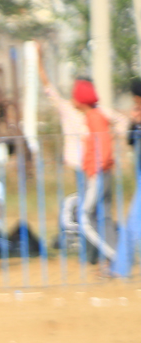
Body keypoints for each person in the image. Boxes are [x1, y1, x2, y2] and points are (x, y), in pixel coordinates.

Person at [71, 78, 117, 264]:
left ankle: (116, 257)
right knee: (103, 218)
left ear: (81, 99)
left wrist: (96, 170)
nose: (72, 100)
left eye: (74, 96)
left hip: (98, 174)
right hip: (101, 173)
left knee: (85, 217)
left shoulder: (94, 117)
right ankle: (116, 257)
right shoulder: (93, 116)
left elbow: (104, 146)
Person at [109, 78, 141, 277]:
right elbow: (131, 141)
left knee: (133, 224)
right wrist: (134, 123)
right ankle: (120, 268)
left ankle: (120, 269)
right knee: (133, 223)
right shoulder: (137, 114)